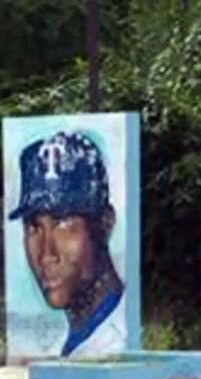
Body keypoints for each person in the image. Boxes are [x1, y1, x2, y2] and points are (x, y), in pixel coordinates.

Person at [8, 131, 125, 357]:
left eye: (62, 223)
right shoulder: (64, 345)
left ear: (104, 223)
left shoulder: (118, 341)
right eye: (34, 227)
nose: (47, 254)